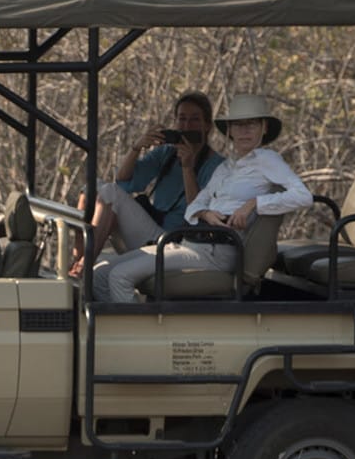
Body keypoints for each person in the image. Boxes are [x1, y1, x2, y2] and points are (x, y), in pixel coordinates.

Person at [92, 95, 312, 303]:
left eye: (252, 124)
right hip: (190, 242)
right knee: (100, 273)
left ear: (264, 128)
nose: (244, 131)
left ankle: (138, 339)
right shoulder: (227, 167)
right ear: (229, 131)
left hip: (218, 250)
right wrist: (205, 213)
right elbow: (195, 205)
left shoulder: (267, 160)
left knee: (119, 276)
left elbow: (303, 196)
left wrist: (254, 204)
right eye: (238, 125)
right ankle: (112, 338)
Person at [72, 91, 224, 275]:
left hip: (173, 243)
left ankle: (84, 268)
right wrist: (136, 148)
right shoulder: (167, 153)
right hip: (149, 228)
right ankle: (77, 259)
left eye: (194, 120)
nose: (186, 126)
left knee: (110, 193)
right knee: (90, 188)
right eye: (182, 119)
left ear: (207, 125)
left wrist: (187, 168)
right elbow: (124, 181)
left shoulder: (217, 166)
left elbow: (198, 213)